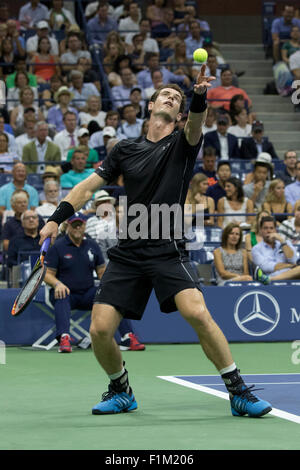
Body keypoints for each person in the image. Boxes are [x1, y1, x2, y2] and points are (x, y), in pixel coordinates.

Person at [40, 67, 272, 417]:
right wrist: (56, 218)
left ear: (179, 114)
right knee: (100, 329)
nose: (170, 98)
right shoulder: (124, 149)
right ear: (150, 106)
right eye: (165, 94)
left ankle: (237, 390)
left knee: (196, 311)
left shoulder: (183, 143)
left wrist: (197, 95)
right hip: (129, 250)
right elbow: (88, 186)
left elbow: (196, 123)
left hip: (166, 248)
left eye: (176, 99)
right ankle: (121, 389)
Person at [44, 212, 145, 352]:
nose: (77, 228)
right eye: (74, 225)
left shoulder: (92, 245)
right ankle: (64, 338)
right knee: (62, 295)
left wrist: (111, 287)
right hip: (66, 294)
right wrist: (57, 284)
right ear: (68, 226)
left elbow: (102, 271)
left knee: (114, 296)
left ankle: (128, 337)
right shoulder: (58, 246)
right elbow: (47, 274)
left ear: (85, 225)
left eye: (80, 225)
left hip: (88, 294)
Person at [253, 215, 300, 283]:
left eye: (271, 228)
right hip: (269, 282)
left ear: (275, 230)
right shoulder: (256, 249)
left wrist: (282, 241)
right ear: (260, 230)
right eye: (265, 228)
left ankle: (272, 279)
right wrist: (291, 266)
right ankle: (272, 279)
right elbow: (267, 267)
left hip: (289, 279)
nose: (269, 231)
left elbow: (293, 260)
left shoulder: (285, 243)